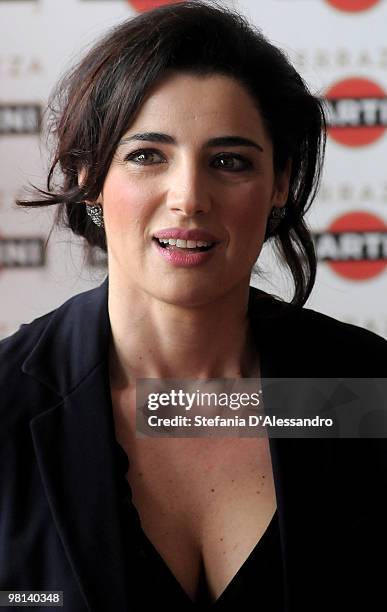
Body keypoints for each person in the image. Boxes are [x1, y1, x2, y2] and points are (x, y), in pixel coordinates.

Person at [1, 2, 387, 611]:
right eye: (147, 155)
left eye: (229, 161)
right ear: (88, 174)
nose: (188, 198)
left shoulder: (363, 389)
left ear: (280, 182)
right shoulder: (8, 401)